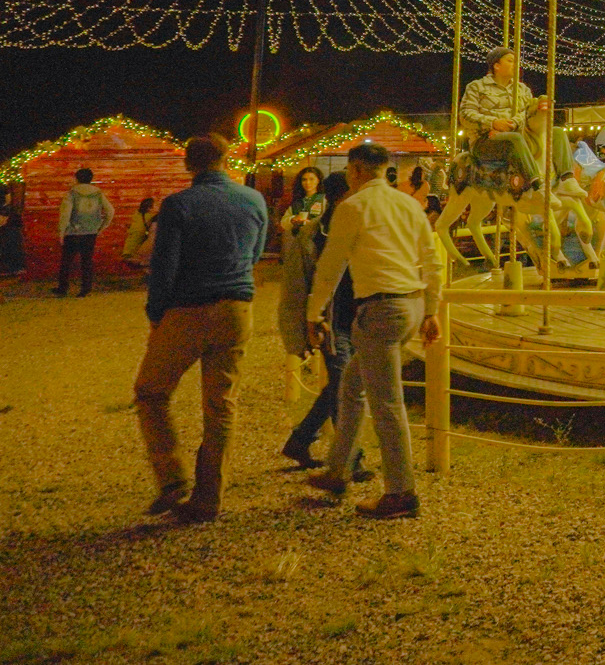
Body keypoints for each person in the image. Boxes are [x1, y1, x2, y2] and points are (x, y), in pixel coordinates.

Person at [133, 135, 268, 522]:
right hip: (237, 308)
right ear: (226, 158)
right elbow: (255, 254)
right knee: (221, 405)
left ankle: (172, 476)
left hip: (189, 309)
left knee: (151, 391)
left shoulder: (179, 205)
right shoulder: (254, 200)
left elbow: (164, 266)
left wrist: (156, 315)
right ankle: (209, 497)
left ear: (188, 164)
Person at [305, 143, 443, 519]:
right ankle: (338, 469)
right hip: (411, 304)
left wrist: (314, 313)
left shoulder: (353, 207)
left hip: (380, 308)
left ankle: (401, 492)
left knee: (387, 403)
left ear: (355, 171)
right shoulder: (409, 205)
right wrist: (431, 309)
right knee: (352, 388)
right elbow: (431, 260)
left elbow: (331, 266)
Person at [278, 170, 369, 478]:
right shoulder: (313, 234)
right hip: (330, 323)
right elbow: (296, 285)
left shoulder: (359, 228)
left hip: (358, 319)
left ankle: (301, 440)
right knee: (344, 386)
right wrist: (300, 330)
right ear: (340, 196)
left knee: (342, 385)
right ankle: (351, 460)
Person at [459, 45, 572, 191]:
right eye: (510, 61)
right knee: (514, 139)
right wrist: (493, 123)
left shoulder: (522, 89)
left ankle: (567, 179)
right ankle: (536, 184)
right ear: (497, 66)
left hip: (520, 134)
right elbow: (465, 114)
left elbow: (527, 113)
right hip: (486, 140)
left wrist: (514, 123)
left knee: (557, 132)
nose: (515, 64)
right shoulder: (477, 87)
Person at [54, 167, 115, 296]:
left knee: (66, 262)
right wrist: (102, 226)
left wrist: (61, 232)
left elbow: (65, 214)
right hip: (90, 232)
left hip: (73, 232)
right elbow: (110, 211)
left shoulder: (72, 193)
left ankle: (63, 288)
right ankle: (85, 288)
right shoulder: (98, 193)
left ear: (77, 178)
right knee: (87, 261)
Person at [122, 196, 160, 268]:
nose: (158, 206)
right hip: (134, 253)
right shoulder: (150, 217)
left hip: (128, 250)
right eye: (156, 205)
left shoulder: (137, 215)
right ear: (149, 208)